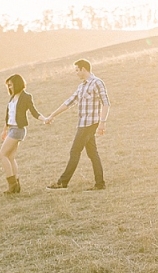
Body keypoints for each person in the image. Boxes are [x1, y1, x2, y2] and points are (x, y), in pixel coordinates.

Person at [45, 59, 110, 191]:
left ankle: (63, 182)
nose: (76, 73)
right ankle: (100, 183)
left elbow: (106, 103)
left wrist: (102, 123)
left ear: (83, 69)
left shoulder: (97, 83)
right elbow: (69, 102)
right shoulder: (81, 87)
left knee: (75, 151)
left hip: (90, 124)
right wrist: (52, 115)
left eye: (77, 70)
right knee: (92, 153)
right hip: (83, 123)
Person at [0, 74, 46, 194]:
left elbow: (34, 112)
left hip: (18, 130)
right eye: (8, 85)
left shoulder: (26, 97)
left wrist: (44, 119)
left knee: (2, 155)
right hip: (11, 129)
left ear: (17, 83)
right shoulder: (12, 97)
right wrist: (4, 130)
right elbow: (8, 116)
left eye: (11, 84)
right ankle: (16, 186)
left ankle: (12, 185)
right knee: (10, 157)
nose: (9, 87)